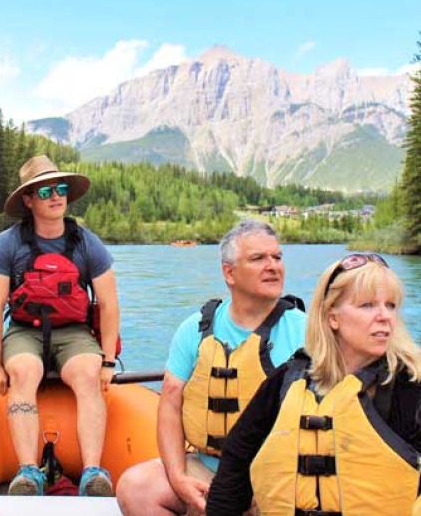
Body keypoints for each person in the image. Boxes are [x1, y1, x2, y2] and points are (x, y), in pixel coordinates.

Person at [206, 253, 421, 515]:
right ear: (333, 317)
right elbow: (236, 459)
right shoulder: (289, 380)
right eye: (367, 305)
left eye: (390, 305)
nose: (384, 316)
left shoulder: (410, 386)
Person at [117, 220, 306, 515]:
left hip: (278, 477)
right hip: (207, 469)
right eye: (258, 258)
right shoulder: (195, 329)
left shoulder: (307, 332)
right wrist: (179, 478)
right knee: (136, 487)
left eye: (277, 257)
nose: (273, 266)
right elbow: (170, 403)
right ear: (229, 272)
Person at [0, 155, 120, 497]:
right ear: (28, 200)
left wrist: (106, 360)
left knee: (87, 373)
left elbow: (109, 304)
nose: (56, 196)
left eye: (60, 189)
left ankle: (93, 472)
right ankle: (28, 471)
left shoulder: (87, 242)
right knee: (25, 371)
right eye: (45, 191)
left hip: (73, 331)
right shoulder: (7, 244)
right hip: (23, 330)